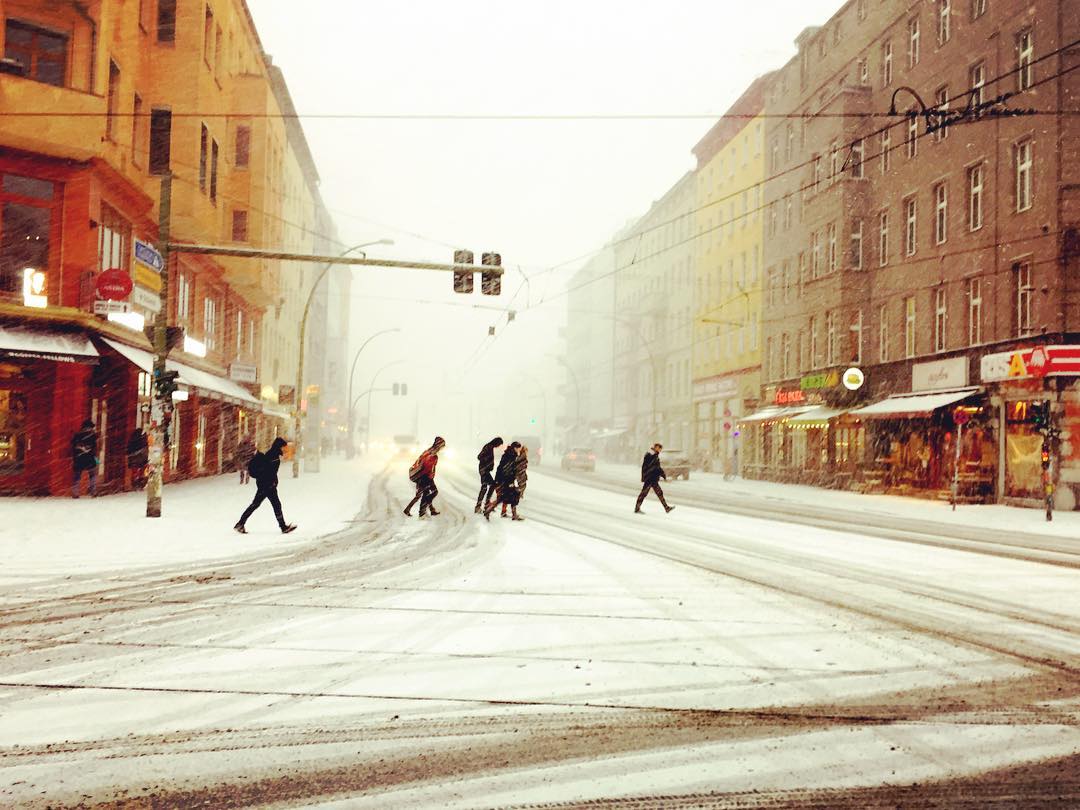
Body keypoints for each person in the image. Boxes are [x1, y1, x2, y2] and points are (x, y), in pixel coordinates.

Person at [234, 437, 297, 534]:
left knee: (256, 505)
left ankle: (240, 523)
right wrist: (272, 482)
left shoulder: (272, 454)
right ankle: (283, 527)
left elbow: (268, 471)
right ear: (279, 446)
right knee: (275, 505)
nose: (285, 449)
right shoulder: (273, 456)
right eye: (284, 447)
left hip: (265, 484)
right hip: (267, 485)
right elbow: (269, 471)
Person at [404, 436, 445, 518]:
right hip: (423, 476)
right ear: (438, 445)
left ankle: (411, 510)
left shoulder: (429, 451)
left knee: (421, 494)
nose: (442, 449)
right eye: (442, 446)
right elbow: (427, 467)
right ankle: (422, 513)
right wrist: (430, 478)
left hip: (421, 475)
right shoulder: (432, 455)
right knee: (433, 492)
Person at [635, 442, 674, 514]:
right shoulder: (650, 455)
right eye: (659, 449)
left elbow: (657, 468)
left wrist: (664, 476)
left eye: (660, 449)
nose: (660, 451)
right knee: (644, 493)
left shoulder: (655, 456)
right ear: (656, 447)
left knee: (659, 493)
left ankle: (666, 508)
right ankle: (637, 508)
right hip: (649, 478)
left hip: (653, 478)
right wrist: (662, 475)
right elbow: (652, 467)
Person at [484, 442, 520, 520]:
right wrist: (509, 480)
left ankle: (513, 514)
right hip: (505, 480)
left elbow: (507, 469)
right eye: (517, 448)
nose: (518, 450)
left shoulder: (511, 455)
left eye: (518, 448)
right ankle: (489, 510)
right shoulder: (509, 456)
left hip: (505, 479)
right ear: (514, 448)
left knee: (512, 495)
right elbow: (506, 469)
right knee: (507, 496)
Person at [475, 436, 503, 514]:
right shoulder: (488, 447)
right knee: (486, 487)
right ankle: (481, 505)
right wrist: (487, 463)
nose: (498, 446)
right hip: (484, 470)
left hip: (485, 470)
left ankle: (485, 504)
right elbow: (479, 457)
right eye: (499, 445)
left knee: (489, 486)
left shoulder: (490, 447)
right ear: (496, 442)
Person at [71, 419, 99, 498]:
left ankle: (75, 492)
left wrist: (75, 455)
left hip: (79, 458)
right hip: (90, 457)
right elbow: (95, 447)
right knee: (92, 475)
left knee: (77, 476)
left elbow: (73, 446)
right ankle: (93, 491)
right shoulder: (93, 435)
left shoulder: (77, 435)